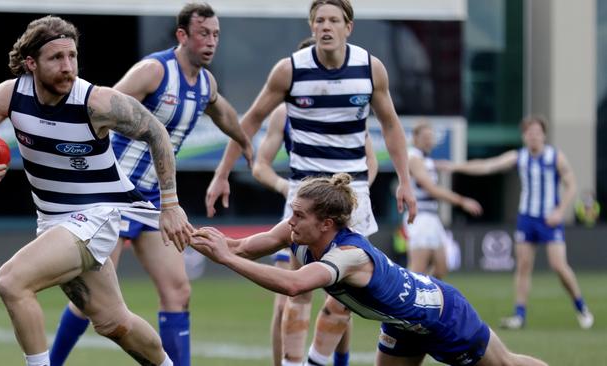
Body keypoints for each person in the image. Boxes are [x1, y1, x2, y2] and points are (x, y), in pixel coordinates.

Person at [0, 15, 194, 366]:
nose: (68, 66)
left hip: (96, 216)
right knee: (115, 323)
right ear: (30, 63)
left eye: (72, 56)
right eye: (56, 58)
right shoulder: (11, 95)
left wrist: (171, 204)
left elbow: (156, 131)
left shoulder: (95, 102)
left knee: (11, 282)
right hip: (54, 222)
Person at [206, 2, 417, 361]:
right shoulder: (289, 70)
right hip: (305, 197)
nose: (326, 26)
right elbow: (251, 119)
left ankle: (320, 361)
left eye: (334, 20)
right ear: (312, 25)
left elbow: (392, 125)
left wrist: (406, 181)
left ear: (348, 27)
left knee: (346, 295)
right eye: (319, 20)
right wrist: (221, 173)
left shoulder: (370, 69)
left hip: (353, 195)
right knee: (297, 292)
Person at [48, 4, 252, 366]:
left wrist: (245, 151)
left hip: (155, 202)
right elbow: (100, 107)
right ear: (182, 36)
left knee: (178, 291)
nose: (211, 42)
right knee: (90, 302)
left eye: (216, 34)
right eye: (203, 33)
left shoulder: (206, 85)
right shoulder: (154, 71)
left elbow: (228, 117)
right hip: (110, 194)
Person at [192, 173, 549, 366]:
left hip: (443, 314)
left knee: (507, 365)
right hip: (401, 325)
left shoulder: (349, 254)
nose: (291, 221)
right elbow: (237, 247)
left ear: (327, 223)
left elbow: (294, 284)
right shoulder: (297, 232)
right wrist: (185, 232)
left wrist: (226, 258)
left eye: (299, 214)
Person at [253, 95, 378, 365]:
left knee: (343, 297)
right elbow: (260, 165)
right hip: (302, 212)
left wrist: (355, 194)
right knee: (289, 297)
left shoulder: (350, 107)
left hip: (343, 212)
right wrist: (286, 188)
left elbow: (370, 160)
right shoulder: (284, 112)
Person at [440, 116, 594, 330]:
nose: (533, 136)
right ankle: (519, 316)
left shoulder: (555, 157)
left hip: (549, 219)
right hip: (526, 218)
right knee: (523, 266)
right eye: (529, 133)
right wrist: (456, 166)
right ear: (524, 136)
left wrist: (560, 211)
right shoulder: (519, 157)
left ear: (544, 135)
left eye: (537, 132)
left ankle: (581, 306)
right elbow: (487, 166)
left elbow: (572, 185)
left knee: (558, 265)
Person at [405, 121, 482, 278]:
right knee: (417, 270)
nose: (429, 140)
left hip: (432, 217)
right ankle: (403, 300)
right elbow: (431, 189)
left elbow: (445, 166)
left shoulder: (426, 160)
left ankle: (425, 297)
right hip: (420, 217)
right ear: (415, 138)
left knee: (441, 269)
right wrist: (462, 201)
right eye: (425, 137)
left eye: (431, 137)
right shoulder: (413, 158)